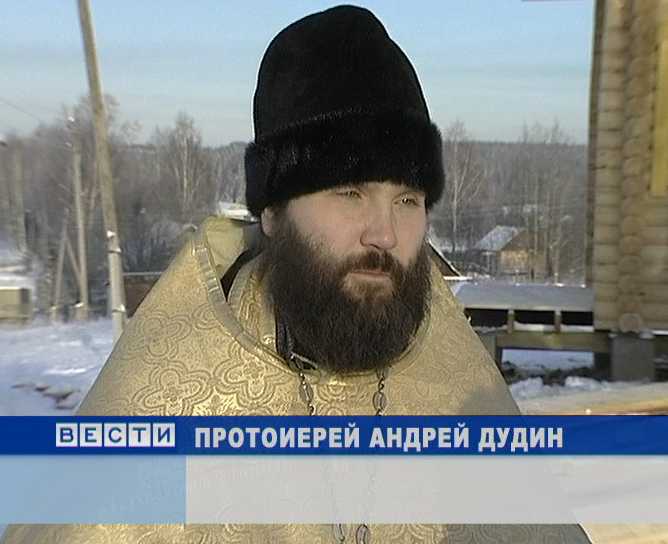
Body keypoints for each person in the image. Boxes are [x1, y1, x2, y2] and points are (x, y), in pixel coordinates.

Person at [1, 5, 590, 543]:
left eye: (408, 199)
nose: (385, 234)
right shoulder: (166, 397)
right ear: (273, 213)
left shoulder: (456, 374)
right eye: (350, 192)